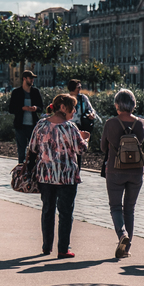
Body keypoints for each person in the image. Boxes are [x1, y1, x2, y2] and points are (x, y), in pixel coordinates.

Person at [28, 93, 89, 258]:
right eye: (72, 107)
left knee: (47, 210)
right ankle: (63, 248)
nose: (74, 111)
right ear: (63, 107)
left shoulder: (41, 125)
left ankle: (46, 246)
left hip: (45, 175)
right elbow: (81, 149)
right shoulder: (70, 128)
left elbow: (32, 148)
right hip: (66, 176)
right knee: (65, 212)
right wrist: (85, 139)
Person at [101, 89, 144, 259]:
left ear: (117, 105)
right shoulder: (141, 123)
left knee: (115, 207)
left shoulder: (110, 123)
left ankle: (122, 235)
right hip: (136, 171)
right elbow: (140, 142)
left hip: (115, 170)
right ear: (133, 104)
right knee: (130, 209)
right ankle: (126, 249)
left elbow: (103, 148)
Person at [9, 70, 45, 164]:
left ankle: (32, 169)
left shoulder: (35, 92)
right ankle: (21, 170)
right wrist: (22, 108)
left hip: (33, 126)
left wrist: (35, 108)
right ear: (24, 79)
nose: (32, 80)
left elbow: (41, 107)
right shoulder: (16, 92)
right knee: (21, 151)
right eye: (30, 78)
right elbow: (11, 109)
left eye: (33, 78)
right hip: (20, 126)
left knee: (34, 150)